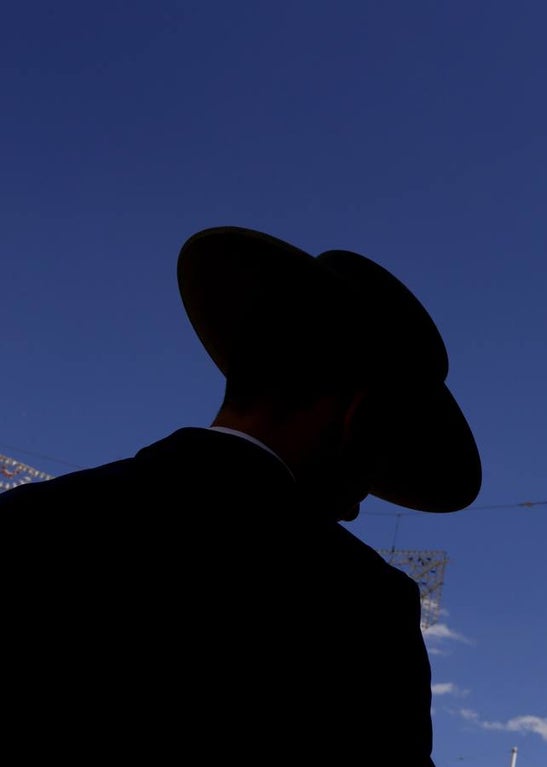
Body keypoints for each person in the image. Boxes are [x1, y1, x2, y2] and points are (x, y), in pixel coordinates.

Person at [0, 226, 481, 764]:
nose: (358, 505)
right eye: (377, 461)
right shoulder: (362, 605)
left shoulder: (30, 518)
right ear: (355, 418)